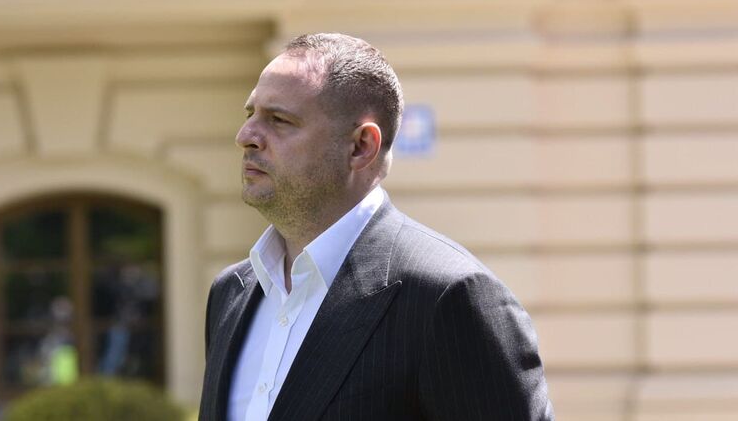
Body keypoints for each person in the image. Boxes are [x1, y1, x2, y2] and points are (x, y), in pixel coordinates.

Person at [199, 33, 554, 421]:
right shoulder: (230, 292)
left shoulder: (449, 297)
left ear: (361, 146)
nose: (246, 137)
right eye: (250, 115)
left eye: (279, 120)